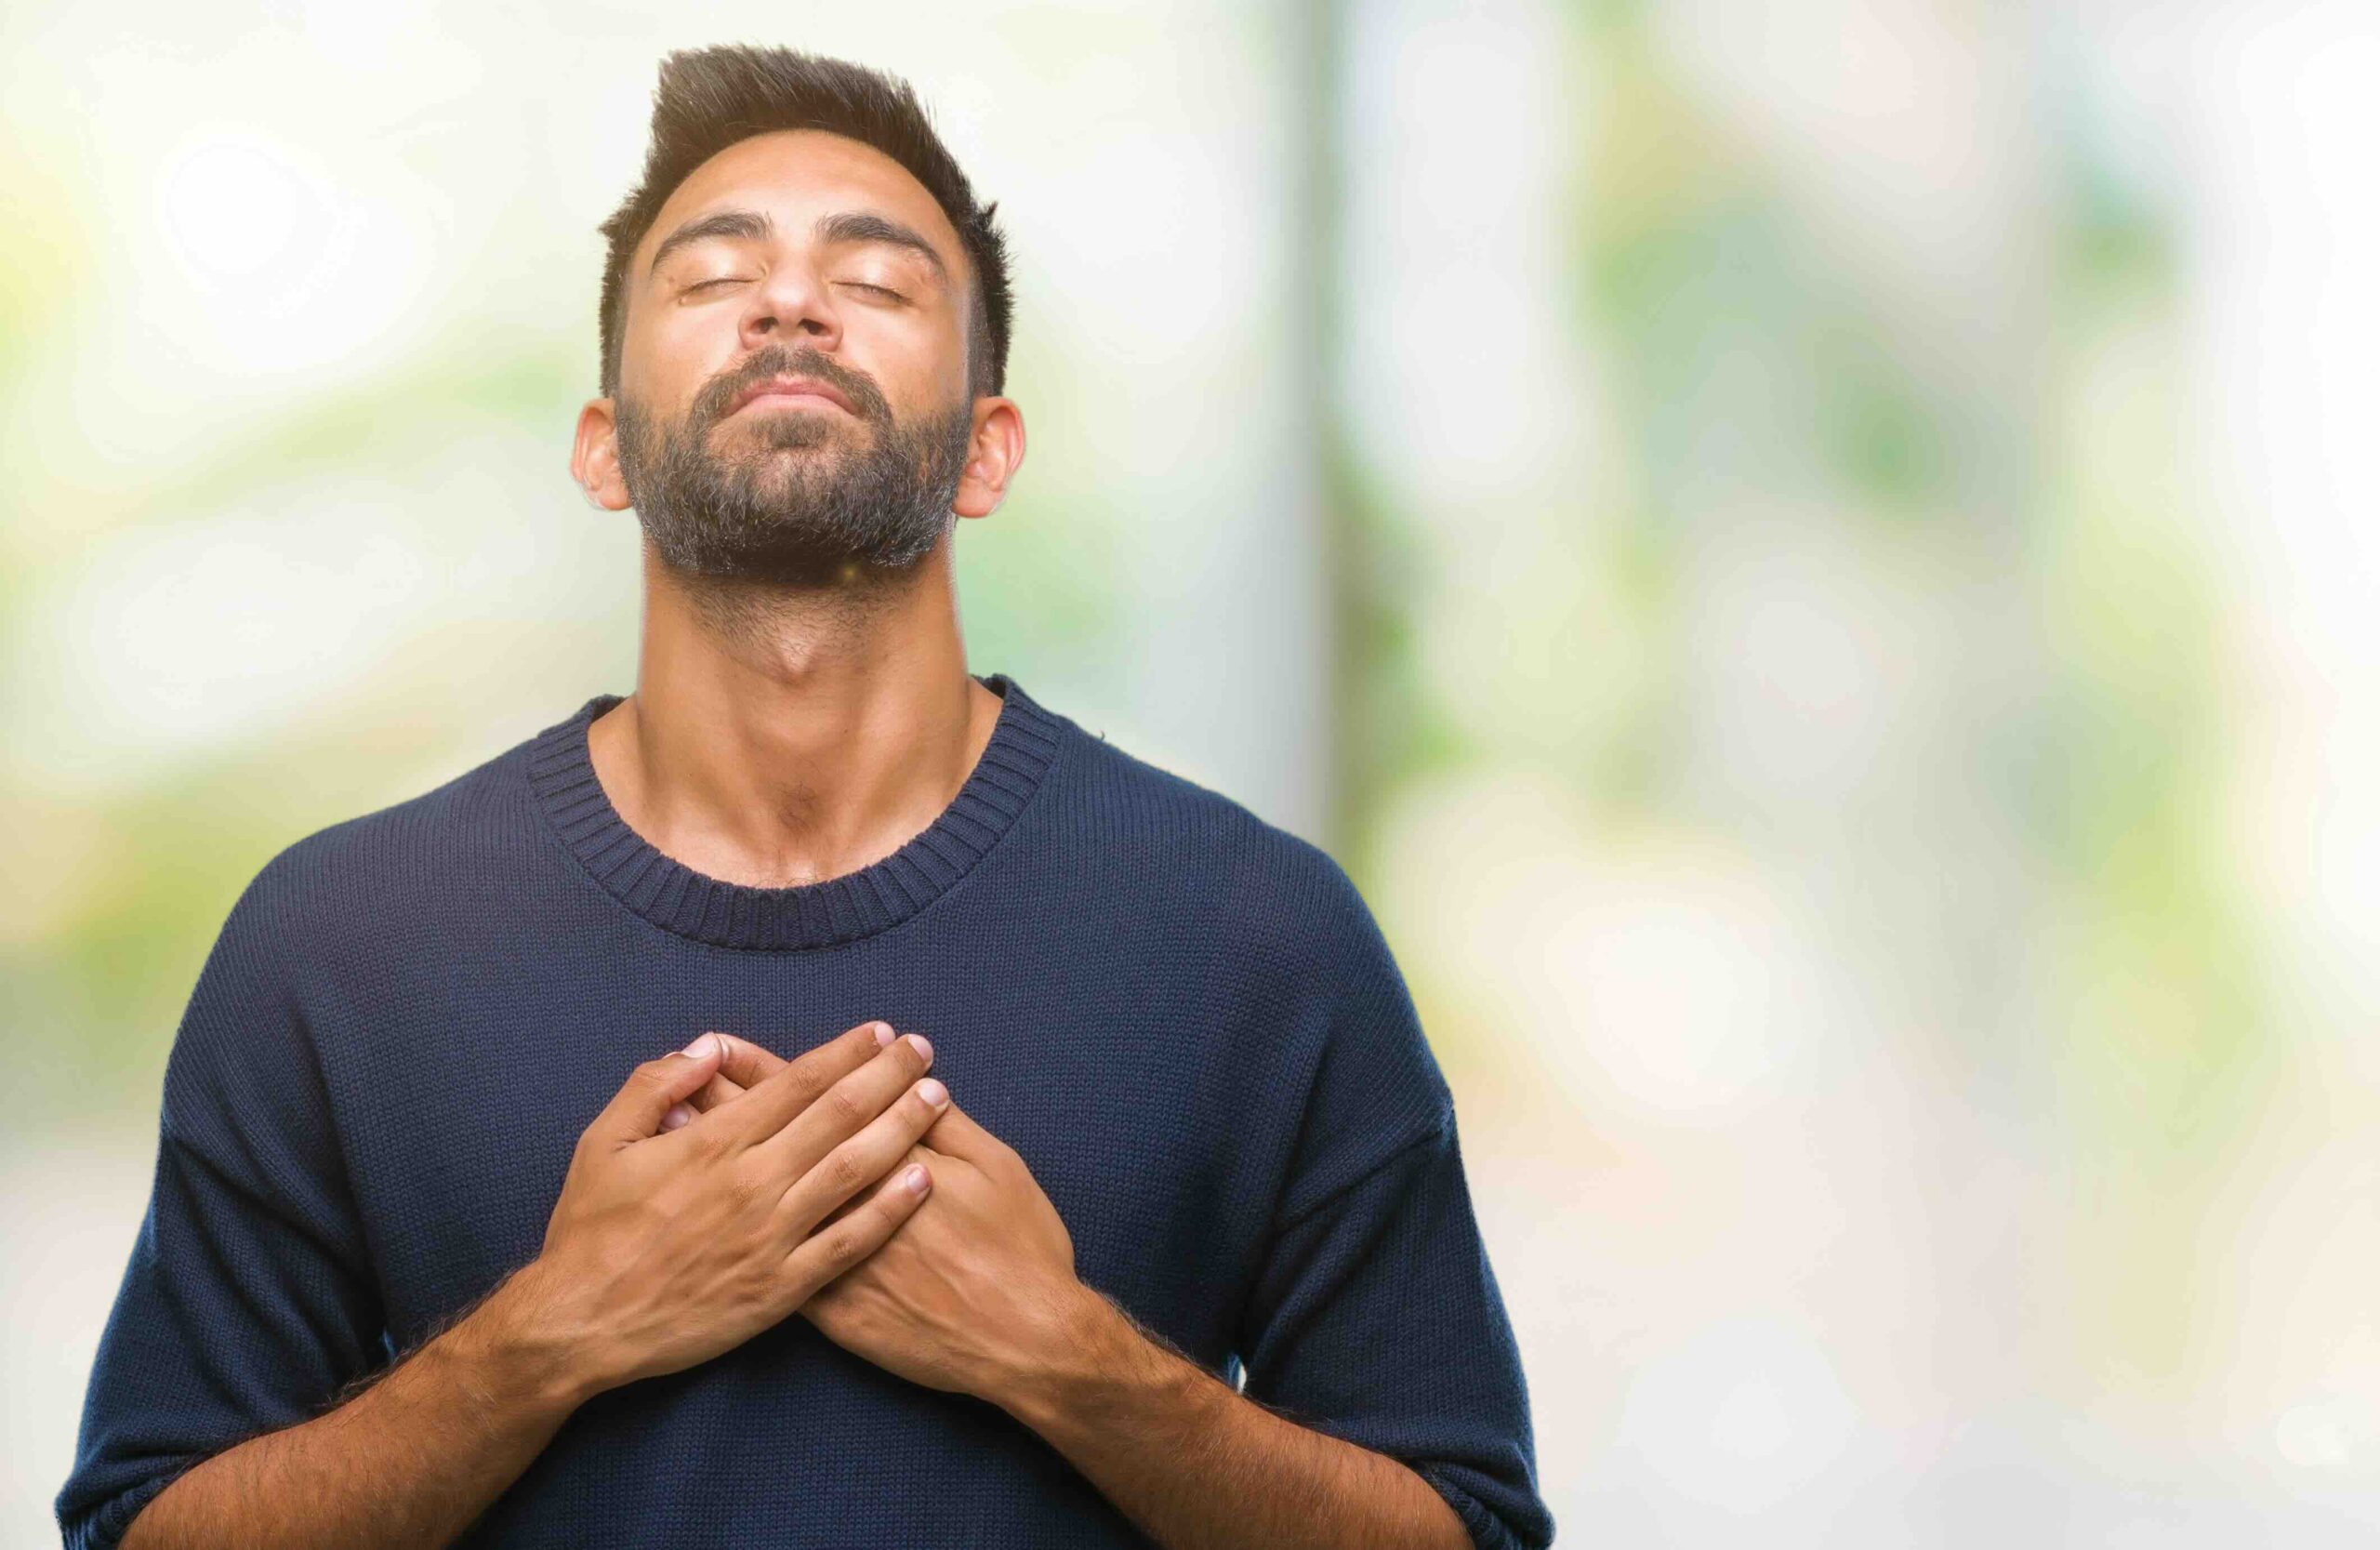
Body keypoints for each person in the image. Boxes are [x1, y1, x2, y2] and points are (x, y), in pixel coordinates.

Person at [56, 45, 1554, 1550]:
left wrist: (1073, 1360)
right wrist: (552, 1335)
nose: (788, 301)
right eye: (713, 279)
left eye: (880, 282)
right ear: (602, 451)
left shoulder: (1257, 934)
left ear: (986, 451)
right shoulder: (341, 943)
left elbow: (1470, 1532)